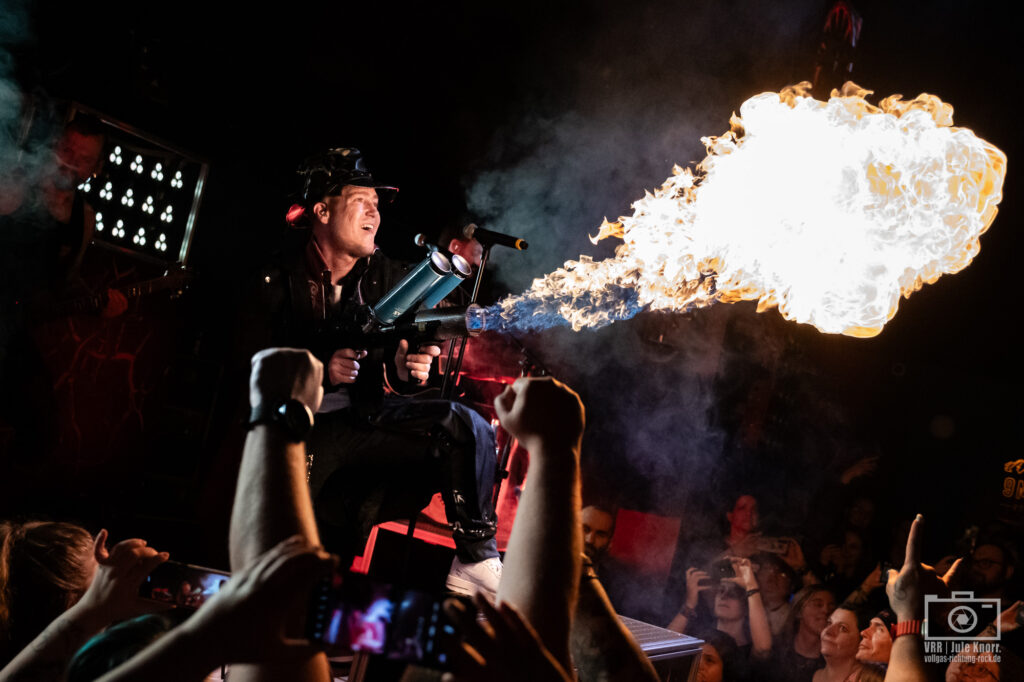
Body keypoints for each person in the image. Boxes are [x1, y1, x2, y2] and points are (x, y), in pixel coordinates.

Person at [251, 148, 501, 598]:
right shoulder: (274, 275)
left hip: (363, 422)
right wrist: (322, 371)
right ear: (322, 210)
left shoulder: (390, 276)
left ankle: (476, 558)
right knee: (287, 556)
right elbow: (251, 368)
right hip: (296, 431)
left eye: (377, 202)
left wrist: (405, 372)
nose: (375, 212)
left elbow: (395, 361)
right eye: (360, 200)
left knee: (464, 426)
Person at [812, 606, 862, 682]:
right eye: (829, 623)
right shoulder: (816, 675)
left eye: (843, 628)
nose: (828, 631)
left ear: (861, 642)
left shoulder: (867, 679)